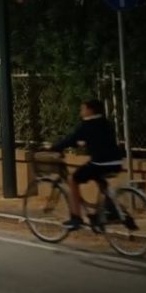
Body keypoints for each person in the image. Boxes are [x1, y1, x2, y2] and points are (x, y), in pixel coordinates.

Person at [50, 99, 124, 230]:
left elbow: (71, 139)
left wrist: (53, 148)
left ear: (90, 110)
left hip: (100, 163)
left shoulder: (87, 124)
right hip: (116, 162)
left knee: (72, 179)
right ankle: (104, 212)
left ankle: (76, 217)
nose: (81, 112)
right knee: (100, 179)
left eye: (82, 109)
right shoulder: (106, 123)